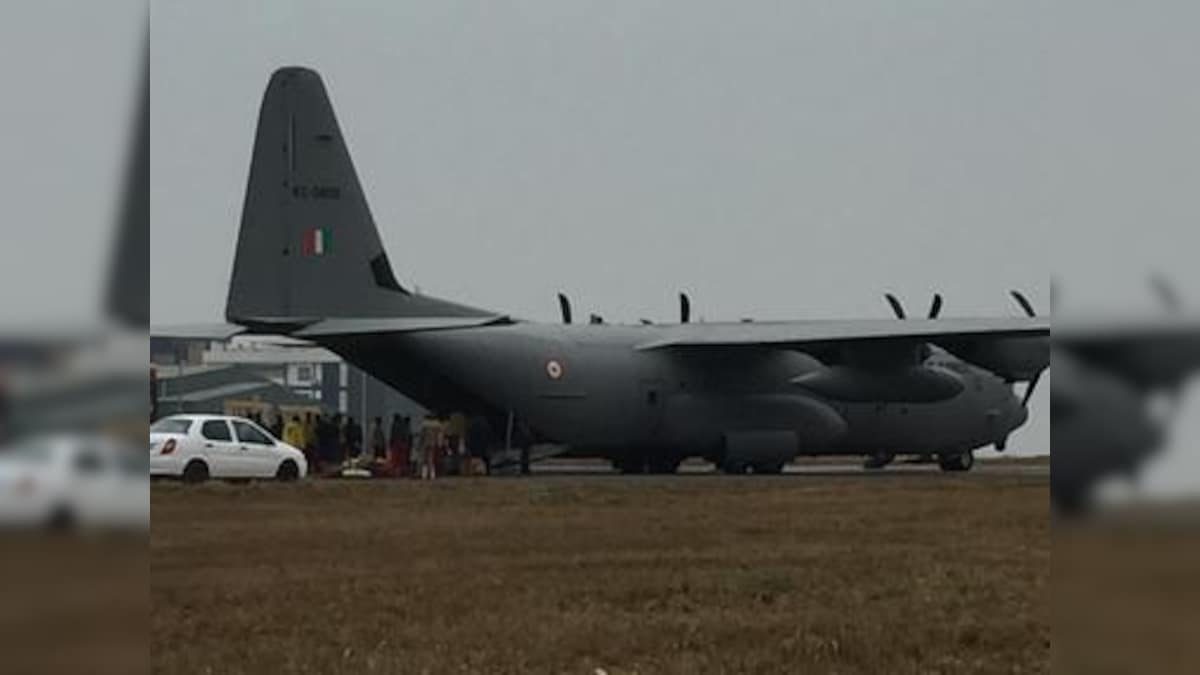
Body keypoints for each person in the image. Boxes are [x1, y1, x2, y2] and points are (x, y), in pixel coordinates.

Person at [416, 414, 445, 480]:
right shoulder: (438, 425)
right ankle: (432, 475)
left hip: (425, 443)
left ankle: (424, 475)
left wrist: (418, 445)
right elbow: (440, 435)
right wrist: (440, 443)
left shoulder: (424, 425)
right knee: (431, 459)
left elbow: (421, 436)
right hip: (433, 443)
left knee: (424, 460)